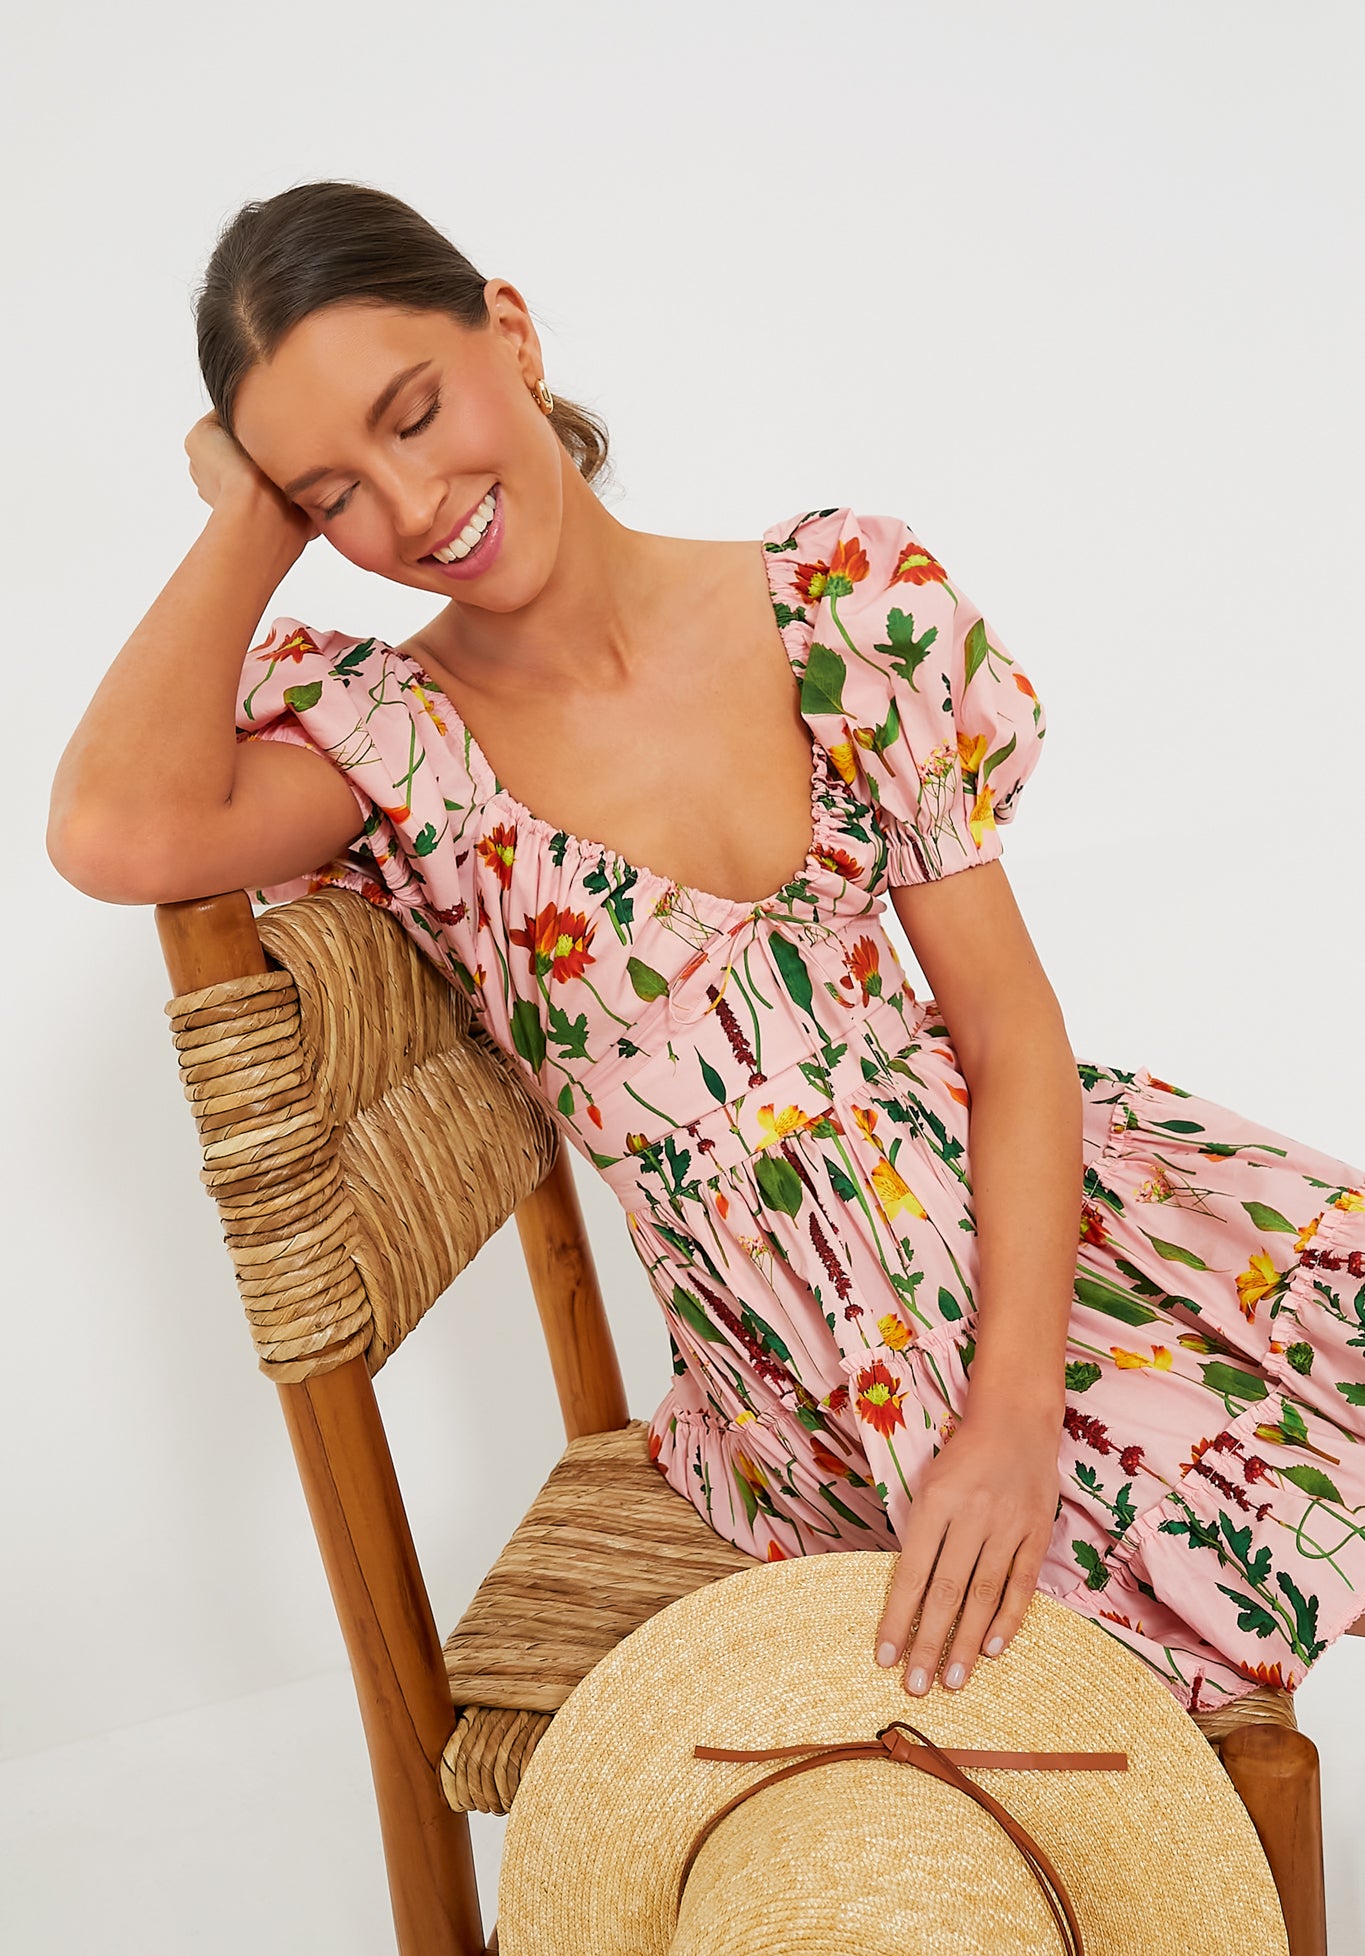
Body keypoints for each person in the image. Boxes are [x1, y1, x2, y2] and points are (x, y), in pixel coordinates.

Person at [47, 179, 1365, 1720]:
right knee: (1195, 1546)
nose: (407, 510)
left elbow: (1010, 1038)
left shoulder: (838, 610)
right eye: (332, 494)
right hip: (826, 1378)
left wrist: (1013, 1420)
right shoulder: (398, 745)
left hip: (1048, 1233)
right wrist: (245, 525)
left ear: (512, 334)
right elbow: (112, 834)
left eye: (413, 415)